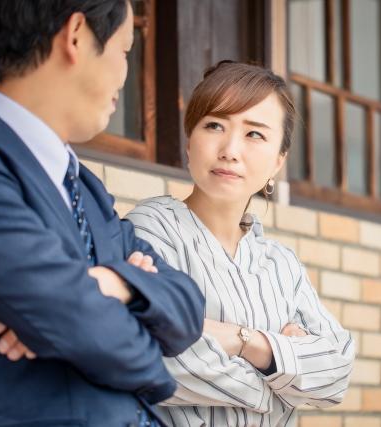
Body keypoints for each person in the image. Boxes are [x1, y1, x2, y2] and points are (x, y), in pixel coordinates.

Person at [0, 0, 204, 426]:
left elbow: (188, 305)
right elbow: (76, 319)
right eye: (124, 52)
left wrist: (116, 281)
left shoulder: (84, 185)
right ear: (77, 36)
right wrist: (152, 364)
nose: (125, 73)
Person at [125, 61, 356, 426]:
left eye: (254, 134)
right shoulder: (151, 230)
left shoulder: (282, 263)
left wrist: (243, 341)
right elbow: (152, 356)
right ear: (189, 141)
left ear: (279, 160)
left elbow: (336, 372)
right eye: (214, 125)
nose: (230, 149)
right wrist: (278, 382)